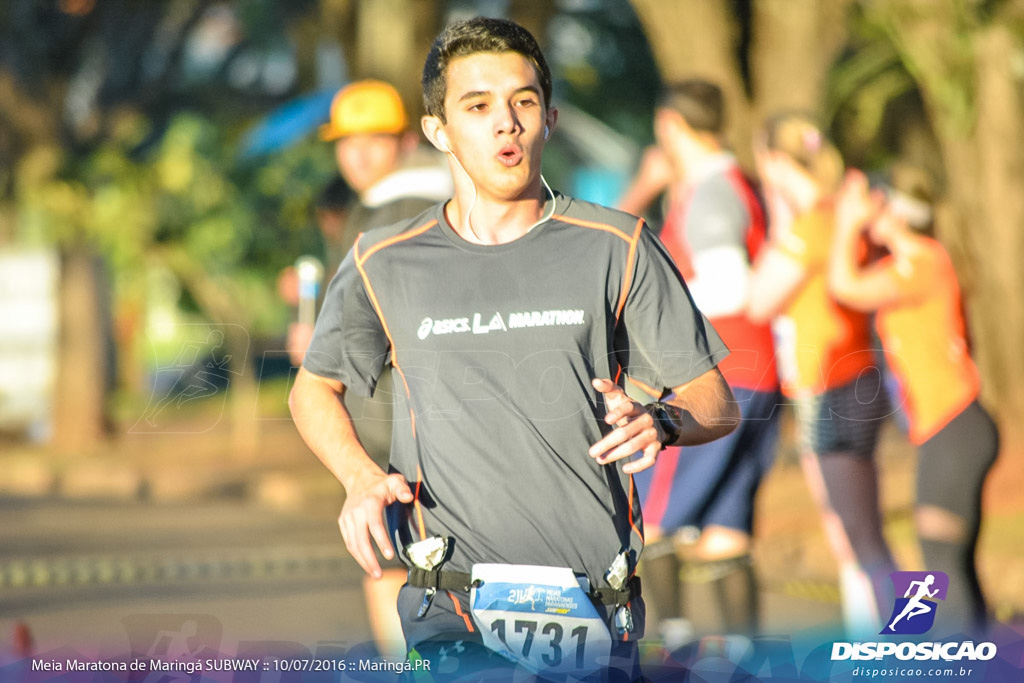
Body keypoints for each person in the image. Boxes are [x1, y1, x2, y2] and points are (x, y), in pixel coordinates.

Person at [289, 16, 740, 680]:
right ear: (438, 130)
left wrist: (663, 420)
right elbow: (313, 386)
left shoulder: (617, 246)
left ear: (549, 118)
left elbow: (717, 401)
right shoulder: (384, 259)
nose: (507, 122)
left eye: (523, 101)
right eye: (478, 106)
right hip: (452, 596)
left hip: (594, 598)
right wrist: (358, 478)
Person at [284, 80, 452, 660]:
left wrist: (325, 348)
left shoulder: (393, 212)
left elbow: (382, 327)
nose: (356, 154)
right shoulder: (441, 194)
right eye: (346, 142)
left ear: (405, 140)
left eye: (373, 140)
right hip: (432, 422)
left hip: (393, 426)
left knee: (390, 573)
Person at [618, 80, 781, 645]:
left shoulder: (713, 192)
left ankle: (674, 642)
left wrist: (662, 307)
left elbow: (730, 287)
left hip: (719, 376)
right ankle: (744, 656)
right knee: (724, 530)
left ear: (668, 125)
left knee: (655, 519)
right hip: (755, 372)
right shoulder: (725, 184)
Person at [829, 166, 999, 636]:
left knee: (939, 561)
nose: (870, 213)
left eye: (879, 202)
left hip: (956, 427)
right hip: (949, 428)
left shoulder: (923, 261)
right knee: (952, 561)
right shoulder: (911, 262)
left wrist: (846, 222)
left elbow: (846, 287)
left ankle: (944, 657)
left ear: (898, 211)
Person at [747, 113, 895, 637]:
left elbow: (759, 299)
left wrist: (776, 214)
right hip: (857, 377)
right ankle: (904, 647)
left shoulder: (811, 225)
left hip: (828, 386)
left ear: (776, 163)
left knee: (853, 538)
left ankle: (898, 654)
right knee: (865, 534)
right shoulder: (838, 216)